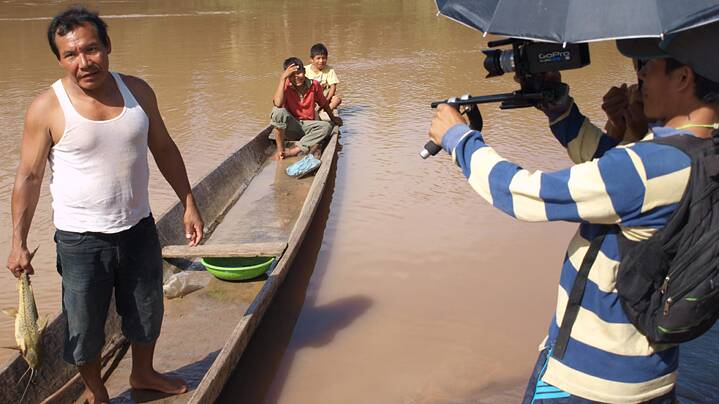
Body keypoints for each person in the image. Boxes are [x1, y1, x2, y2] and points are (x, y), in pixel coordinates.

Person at [428, 22, 719, 403]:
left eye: (649, 65)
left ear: (683, 77)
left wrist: (459, 139)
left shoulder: (648, 166)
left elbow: (526, 195)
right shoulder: (698, 154)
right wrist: (564, 109)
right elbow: (609, 179)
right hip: (648, 375)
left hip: (590, 380)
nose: (640, 75)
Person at [4, 6, 204, 403]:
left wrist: (188, 201)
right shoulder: (47, 107)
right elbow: (28, 177)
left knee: (147, 312)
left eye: (91, 49)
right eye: (71, 55)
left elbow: (163, 148)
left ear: (107, 46)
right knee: (84, 327)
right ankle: (96, 392)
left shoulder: (138, 92)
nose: (83, 62)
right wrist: (17, 240)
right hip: (80, 241)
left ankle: (143, 374)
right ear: (60, 59)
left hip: (138, 228)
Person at [270, 56, 342, 160]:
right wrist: (282, 79)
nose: (297, 77)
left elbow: (324, 104)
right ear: (287, 76)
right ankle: (280, 151)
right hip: (291, 126)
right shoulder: (285, 86)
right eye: (292, 75)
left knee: (327, 127)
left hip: (308, 125)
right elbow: (277, 104)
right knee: (277, 112)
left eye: (299, 73)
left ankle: (292, 151)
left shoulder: (314, 85)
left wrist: (333, 118)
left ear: (304, 71)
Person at [304, 43, 342, 111]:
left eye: (323, 58)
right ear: (311, 59)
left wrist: (327, 100)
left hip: (326, 98)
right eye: (318, 58)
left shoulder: (329, 70)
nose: (321, 61)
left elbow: (333, 87)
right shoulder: (305, 70)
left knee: (337, 99)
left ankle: (327, 110)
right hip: (310, 98)